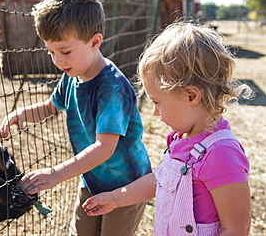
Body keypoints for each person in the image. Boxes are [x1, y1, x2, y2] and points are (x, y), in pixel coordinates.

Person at [0, 0, 152, 235]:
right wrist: (23, 113)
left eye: (65, 51)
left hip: (126, 187)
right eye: (51, 52)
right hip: (91, 179)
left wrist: (55, 174)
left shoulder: (111, 88)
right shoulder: (72, 75)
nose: (57, 60)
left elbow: (105, 147)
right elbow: (52, 106)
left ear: (94, 42)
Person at [82, 21, 252, 236]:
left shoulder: (221, 155)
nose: (154, 112)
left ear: (191, 96)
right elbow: (159, 181)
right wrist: (115, 198)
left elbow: (236, 228)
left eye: (157, 102)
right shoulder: (180, 139)